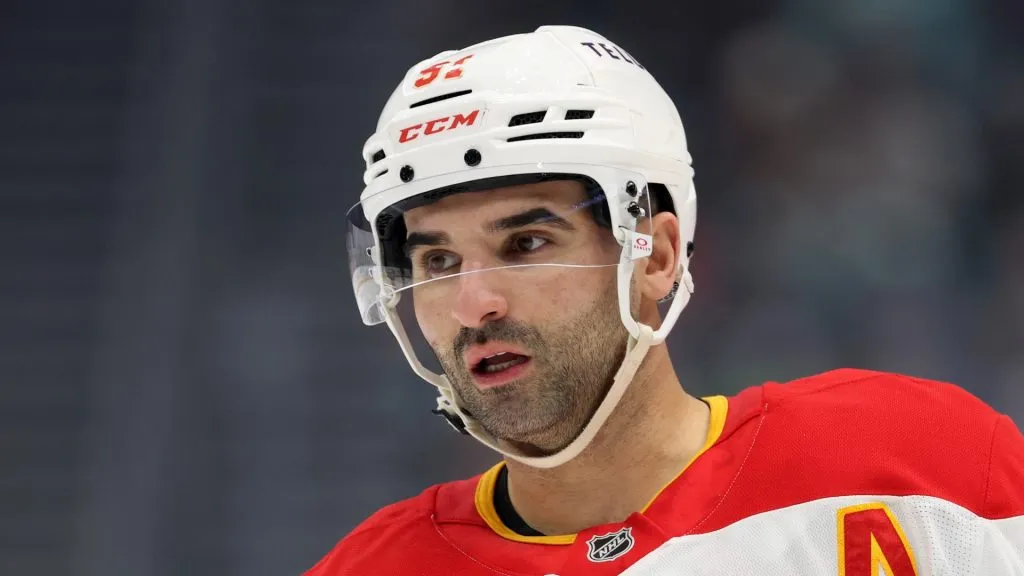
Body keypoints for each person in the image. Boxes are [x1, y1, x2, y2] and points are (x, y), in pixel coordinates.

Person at [307, 25, 1024, 575]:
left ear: (658, 254)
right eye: (437, 259)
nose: (474, 302)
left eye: (525, 244)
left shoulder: (920, 466)